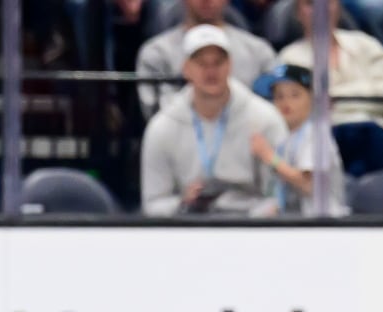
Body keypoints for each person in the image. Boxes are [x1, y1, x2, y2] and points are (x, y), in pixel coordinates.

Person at [140, 24, 287, 215]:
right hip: (187, 228)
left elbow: (279, 196)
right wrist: (181, 203)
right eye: (202, 63)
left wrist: (253, 221)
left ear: (230, 65)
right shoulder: (162, 127)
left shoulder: (265, 119)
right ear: (186, 69)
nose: (211, 71)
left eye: (218, 62)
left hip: (249, 227)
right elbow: (152, 205)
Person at [277, 0, 383, 146]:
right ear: (298, 13)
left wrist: (333, 97)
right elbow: (295, 111)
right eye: (311, 4)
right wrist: (365, 91)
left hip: (379, 141)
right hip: (316, 147)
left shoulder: (367, 45)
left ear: (338, 7)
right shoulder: (287, 59)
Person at [136, 0, 277, 120]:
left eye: (219, 62)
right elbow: (156, 117)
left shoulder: (259, 52)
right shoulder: (156, 53)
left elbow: (272, 111)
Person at [250, 63, 349, 215]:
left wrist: (270, 157)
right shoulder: (284, 138)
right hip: (293, 221)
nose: (285, 102)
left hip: (325, 224)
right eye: (279, 96)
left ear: (311, 98)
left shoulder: (317, 133)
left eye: (295, 94)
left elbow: (309, 184)